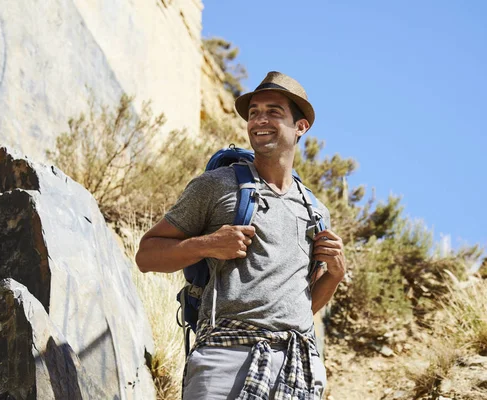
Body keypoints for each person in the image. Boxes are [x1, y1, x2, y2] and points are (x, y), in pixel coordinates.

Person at [135, 71, 346, 400]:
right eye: (254, 113)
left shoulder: (315, 212)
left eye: (274, 111)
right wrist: (209, 245)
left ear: (300, 126)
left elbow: (303, 306)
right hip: (225, 357)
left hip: (297, 367)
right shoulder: (217, 185)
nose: (260, 120)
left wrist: (334, 275)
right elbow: (146, 255)